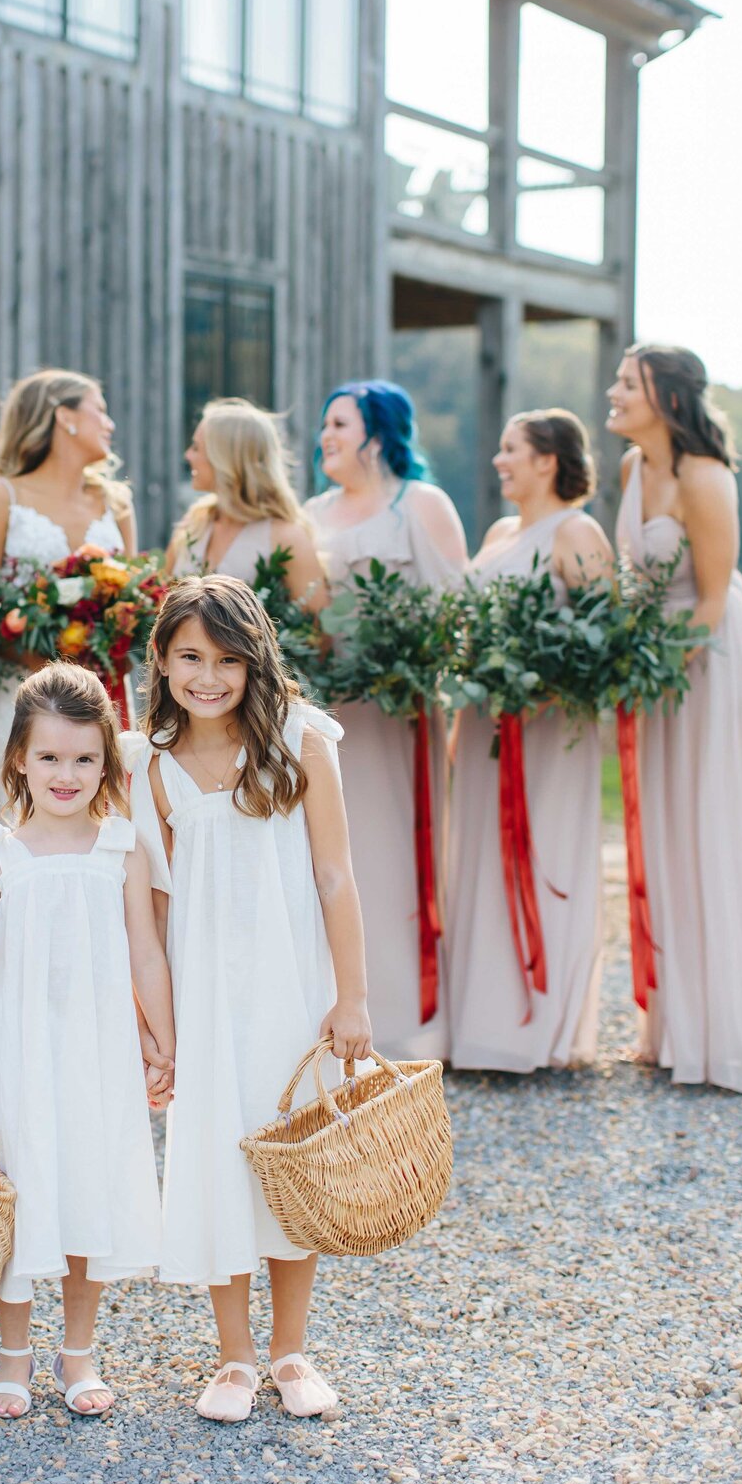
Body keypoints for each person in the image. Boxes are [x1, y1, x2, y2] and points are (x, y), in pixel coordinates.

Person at [122, 575, 373, 1422]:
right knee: (223, 1162)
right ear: (161, 660)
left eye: (228, 660)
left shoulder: (302, 740)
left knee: (292, 1161)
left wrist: (352, 999)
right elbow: (154, 906)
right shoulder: (151, 767)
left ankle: (292, 1350)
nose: (208, 677)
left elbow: (335, 876)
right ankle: (233, 1356)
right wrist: (161, 1033)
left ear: (254, 662)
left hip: (291, 986)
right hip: (205, 999)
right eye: (190, 657)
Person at [0, 664, 173, 1420]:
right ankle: (14, 1355)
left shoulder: (121, 847)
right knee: (20, 1194)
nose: (65, 774)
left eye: (83, 759)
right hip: (16, 1053)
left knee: (84, 1191)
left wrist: (162, 1041)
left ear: (107, 761)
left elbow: (144, 953)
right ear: (19, 761)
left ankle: (79, 1352)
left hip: (97, 1053)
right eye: (49, 758)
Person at [609, 344, 742, 1097]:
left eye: (627, 383)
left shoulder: (706, 479)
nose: (612, 392)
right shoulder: (630, 471)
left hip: (708, 665)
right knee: (668, 831)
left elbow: (709, 600)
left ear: (667, 399)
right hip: (654, 667)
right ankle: (674, 1026)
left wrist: (659, 672)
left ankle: (726, 1028)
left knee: (712, 825)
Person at [444, 410, 612, 1073]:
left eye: (511, 449)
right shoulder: (499, 532)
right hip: (487, 723)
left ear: (548, 460)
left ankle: (540, 1033)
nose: (498, 460)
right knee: (481, 859)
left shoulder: (578, 530)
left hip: (548, 732)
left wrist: (539, 688)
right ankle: (484, 1027)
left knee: (543, 853)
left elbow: (608, 645)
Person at [305, 381, 466, 1059]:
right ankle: (329, 1011)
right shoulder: (310, 513)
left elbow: (459, 615)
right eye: (324, 425)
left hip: (395, 715)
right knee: (329, 859)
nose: (326, 436)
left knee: (392, 853)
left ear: (377, 433)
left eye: (339, 423)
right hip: (323, 715)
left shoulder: (420, 505)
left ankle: (405, 1019)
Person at [0, 370, 135, 779]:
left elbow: (134, 600)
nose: (110, 424)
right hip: (22, 694)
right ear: (65, 416)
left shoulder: (116, 503)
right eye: (101, 411)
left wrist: (115, 639)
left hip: (106, 695)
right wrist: (50, 666)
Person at [167, 398, 327, 607]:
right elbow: (161, 595)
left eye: (196, 448)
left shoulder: (285, 536)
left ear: (225, 458)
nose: (188, 455)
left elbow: (318, 633)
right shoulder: (194, 521)